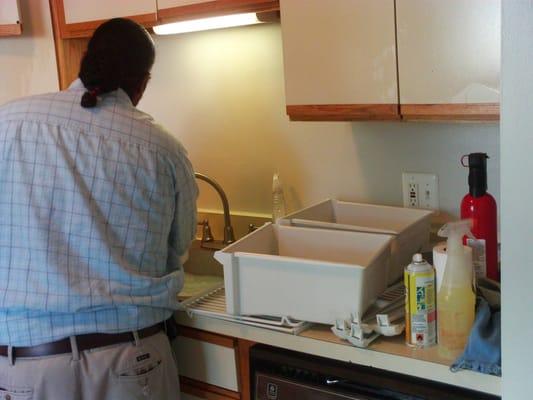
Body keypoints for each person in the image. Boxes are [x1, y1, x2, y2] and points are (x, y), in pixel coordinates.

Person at [0, 18, 197, 399]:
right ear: (142, 83)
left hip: (26, 368)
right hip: (131, 360)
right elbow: (178, 247)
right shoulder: (163, 149)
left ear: (85, 64)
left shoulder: (7, 123)